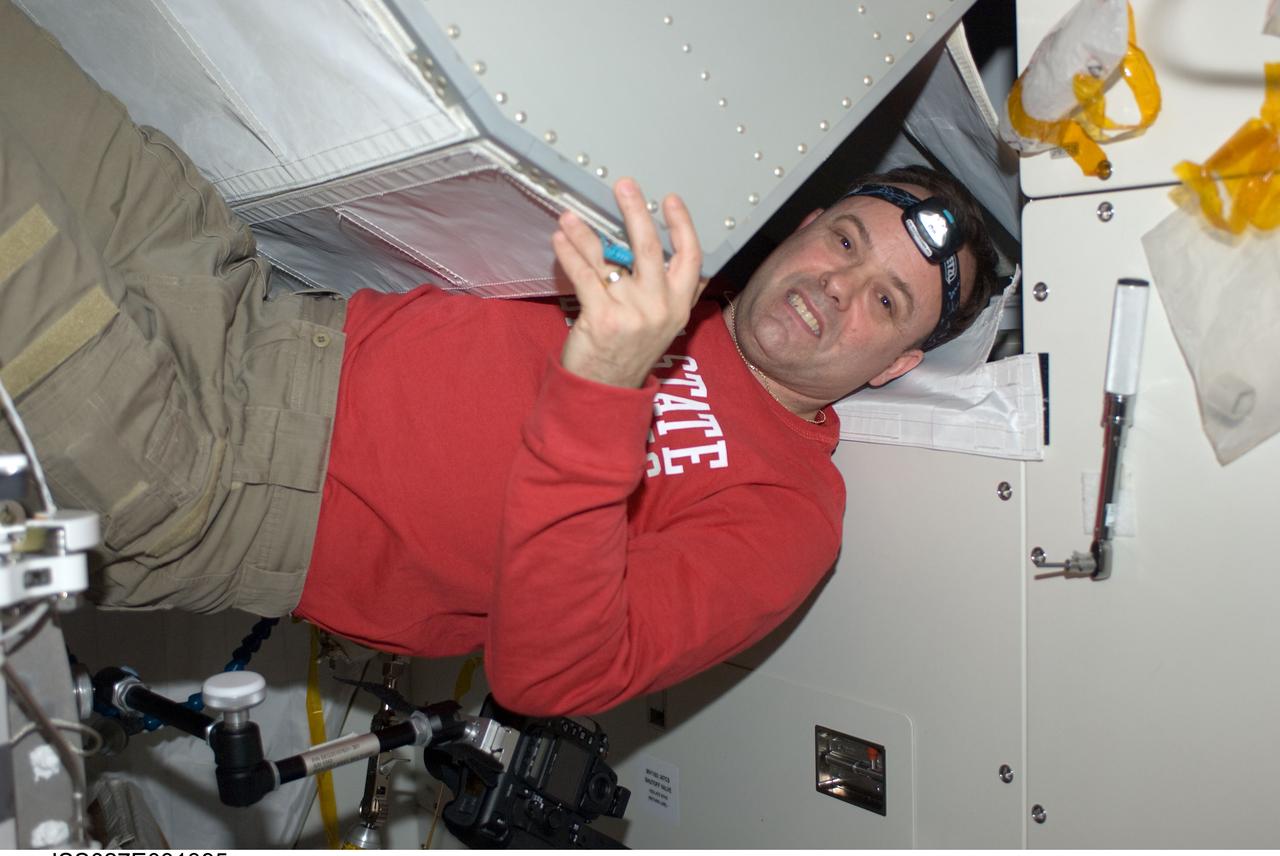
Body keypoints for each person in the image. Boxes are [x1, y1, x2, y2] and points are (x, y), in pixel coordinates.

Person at [0, 2, 998, 716]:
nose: (835, 286)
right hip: (237, 300)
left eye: (882, 302)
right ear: (807, 225)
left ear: (892, 365)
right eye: (846, 243)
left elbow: (552, 677)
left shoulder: (788, 517)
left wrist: (602, 386)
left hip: (219, 478)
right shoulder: (682, 277)